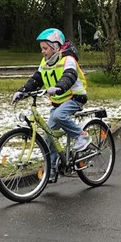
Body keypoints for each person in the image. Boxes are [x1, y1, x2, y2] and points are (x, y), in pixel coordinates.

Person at [12, 28, 91, 183]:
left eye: (45, 48)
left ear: (55, 47)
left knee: (58, 115)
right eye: (41, 48)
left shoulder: (68, 60)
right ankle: (52, 169)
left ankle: (82, 136)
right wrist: (22, 91)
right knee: (49, 134)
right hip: (59, 102)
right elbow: (36, 79)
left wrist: (59, 87)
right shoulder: (45, 62)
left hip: (75, 98)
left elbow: (69, 76)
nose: (43, 52)